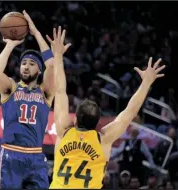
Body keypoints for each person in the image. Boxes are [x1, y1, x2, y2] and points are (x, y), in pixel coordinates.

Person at [47, 26, 166, 188]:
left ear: (75, 120)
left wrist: (58, 55)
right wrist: (146, 83)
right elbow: (129, 113)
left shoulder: (64, 130)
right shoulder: (103, 139)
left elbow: (60, 91)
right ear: (97, 124)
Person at [0, 10, 69, 189]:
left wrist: (36, 33)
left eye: (31, 64)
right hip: (10, 154)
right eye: (24, 63)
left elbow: (51, 64)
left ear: (39, 71)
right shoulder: (10, 88)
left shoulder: (46, 92)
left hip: (35, 156)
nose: (26, 67)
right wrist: (10, 45)